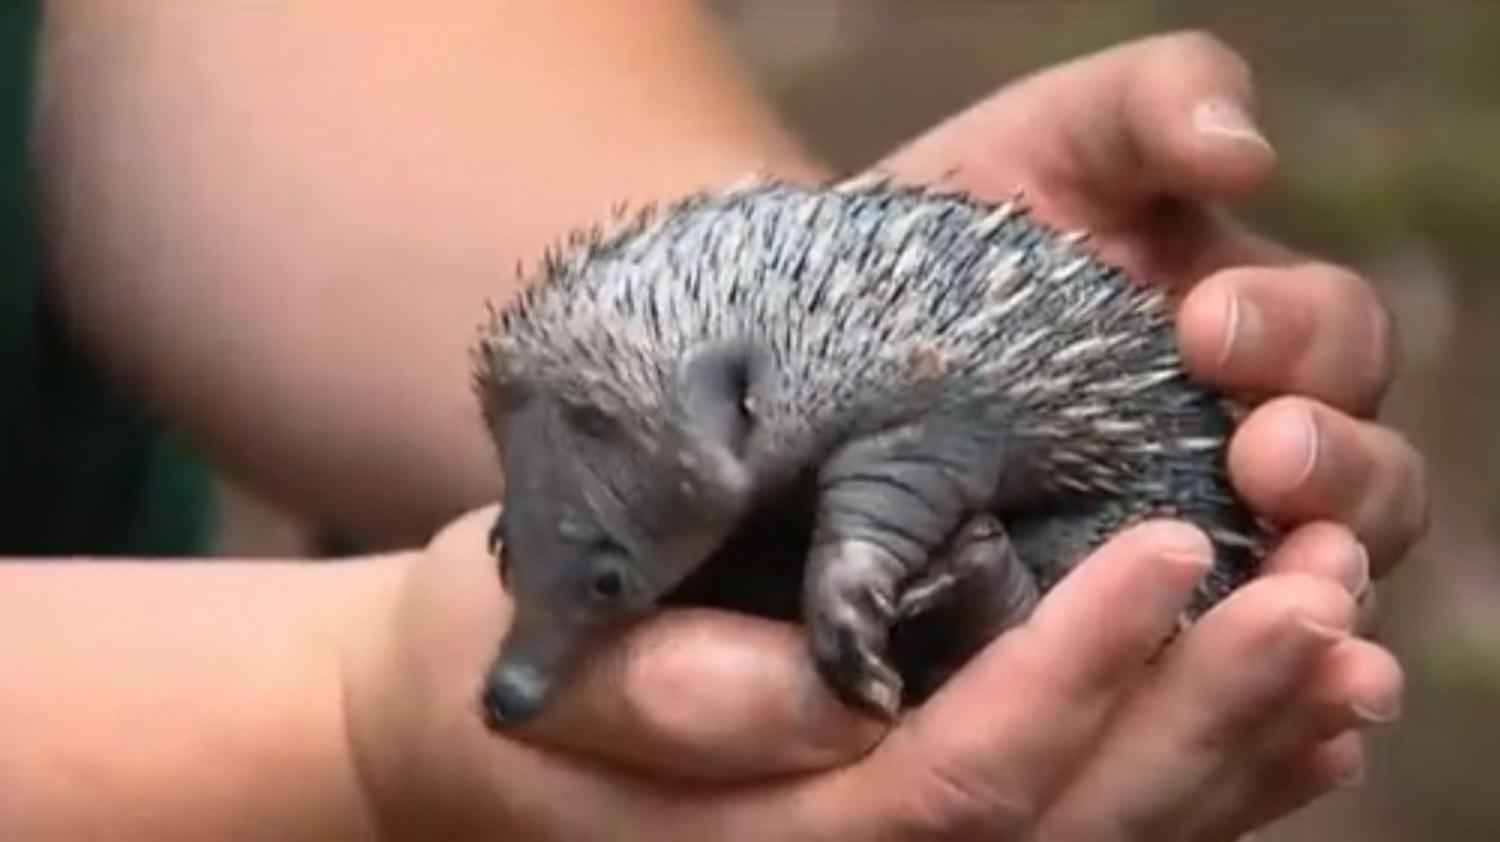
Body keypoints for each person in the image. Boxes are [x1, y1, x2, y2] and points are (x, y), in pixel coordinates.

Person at [2, 3, 1426, 839]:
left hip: (1055, 481)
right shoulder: (731, 413)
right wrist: (344, 714)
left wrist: (822, 228)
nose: (524, 668)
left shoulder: (811, 385)